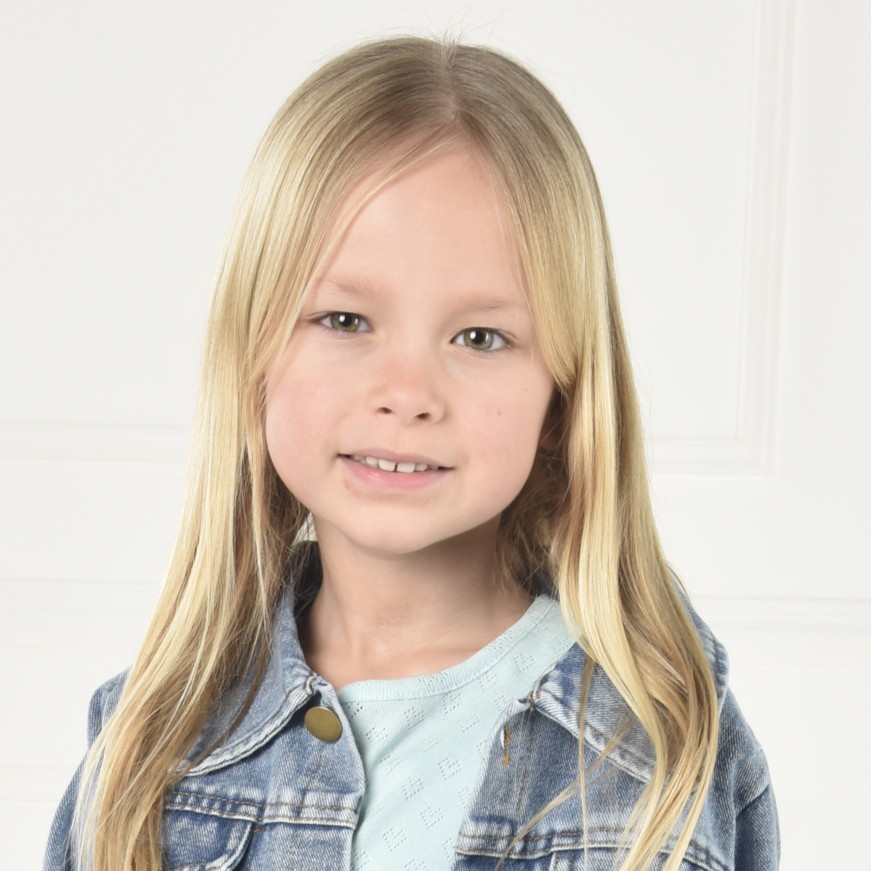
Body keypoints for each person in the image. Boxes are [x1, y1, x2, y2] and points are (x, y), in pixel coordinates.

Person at [43, 36, 779, 871]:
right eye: (345, 320)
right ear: (253, 355)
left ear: (562, 394)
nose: (406, 391)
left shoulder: (661, 742)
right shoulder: (150, 743)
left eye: (479, 336)